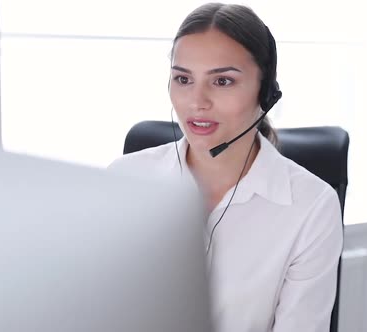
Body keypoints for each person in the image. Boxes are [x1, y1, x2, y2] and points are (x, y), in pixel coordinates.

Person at [109, 3, 343, 332]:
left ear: (265, 93)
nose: (197, 101)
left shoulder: (312, 206)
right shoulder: (124, 180)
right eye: (183, 78)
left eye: (222, 81)